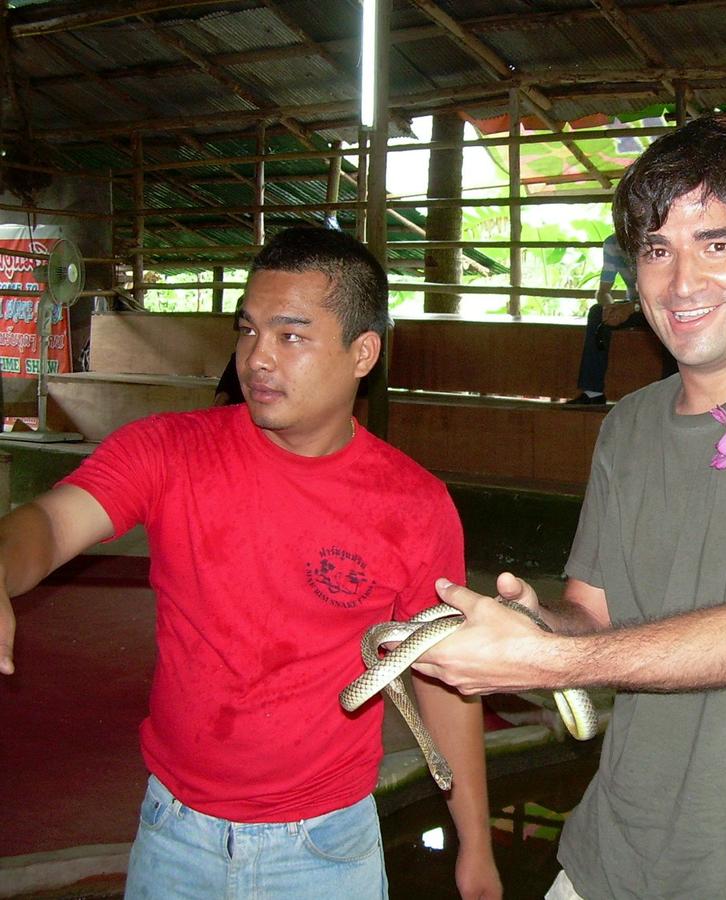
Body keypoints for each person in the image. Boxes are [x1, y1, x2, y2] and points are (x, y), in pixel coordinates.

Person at [413, 116, 726, 899]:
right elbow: (595, 617)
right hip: (608, 858)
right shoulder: (629, 425)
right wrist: (534, 626)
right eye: (656, 250)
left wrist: (547, 661)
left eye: (716, 244)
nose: (681, 282)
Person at [0, 226, 502, 900]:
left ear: (363, 353)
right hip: (173, 834)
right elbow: (50, 521)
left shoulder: (413, 504)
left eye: (291, 335)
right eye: (249, 330)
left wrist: (475, 843)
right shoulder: (168, 450)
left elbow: (442, 676)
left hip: (325, 850)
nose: (258, 357)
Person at [565, 234, 663, 406]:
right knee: (597, 313)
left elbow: (664, 293)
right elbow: (603, 291)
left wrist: (631, 308)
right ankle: (593, 392)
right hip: (635, 306)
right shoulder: (612, 244)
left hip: (662, 306)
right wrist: (610, 308)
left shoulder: (654, 241)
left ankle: (670, 396)